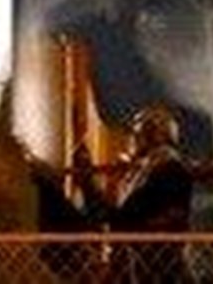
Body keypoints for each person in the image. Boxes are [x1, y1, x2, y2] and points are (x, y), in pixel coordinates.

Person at [80, 104, 196, 283]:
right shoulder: (153, 168)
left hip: (152, 264)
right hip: (148, 260)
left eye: (138, 135)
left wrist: (89, 185)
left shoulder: (165, 168)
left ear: (153, 136)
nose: (132, 140)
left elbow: (125, 219)